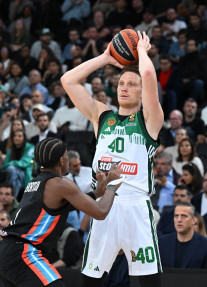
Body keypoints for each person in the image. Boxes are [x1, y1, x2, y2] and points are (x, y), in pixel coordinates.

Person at [61, 32, 164, 285]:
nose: (125, 88)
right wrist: (106, 57)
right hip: (103, 205)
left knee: (149, 282)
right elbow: (68, 80)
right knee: (91, 280)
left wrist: (141, 51)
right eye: (121, 84)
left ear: (143, 93)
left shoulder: (149, 120)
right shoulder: (102, 116)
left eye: (132, 84)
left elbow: (149, 75)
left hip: (136, 205)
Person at [0, 137, 123, 287]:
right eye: (67, 156)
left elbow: (69, 205)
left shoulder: (35, 183)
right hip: (22, 252)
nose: (67, 159)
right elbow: (100, 212)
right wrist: (112, 186)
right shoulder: (60, 184)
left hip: (4, 252)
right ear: (61, 160)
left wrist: (98, 192)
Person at [158, 202, 207, 268]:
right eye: (176, 216)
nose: (179, 220)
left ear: (193, 220)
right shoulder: (162, 242)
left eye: (184, 216)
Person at [2, 129, 34, 199]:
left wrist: (10, 164)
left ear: (24, 138)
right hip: (15, 178)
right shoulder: (10, 150)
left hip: (26, 177)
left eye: (19, 136)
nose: (16, 138)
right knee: (17, 181)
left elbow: (24, 163)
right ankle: (12, 201)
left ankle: (9, 199)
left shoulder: (30, 148)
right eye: (15, 136)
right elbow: (4, 166)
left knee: (12, 169)